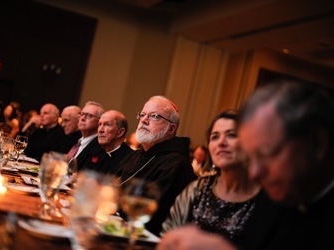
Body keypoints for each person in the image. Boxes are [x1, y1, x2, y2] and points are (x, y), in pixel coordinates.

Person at [157, 80, 334, 250]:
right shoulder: (274, 200)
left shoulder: (272, 196)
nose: (255, 173)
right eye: (252, 156)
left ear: (316, 143)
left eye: (266, 153)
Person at [162, 111, 261, 246]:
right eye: (215, 137)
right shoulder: (196, 189)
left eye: (231, 135)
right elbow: (169, 236)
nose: (221, 142)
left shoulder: (268, 199)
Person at [117, 95, 196, 236]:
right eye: (142, 115)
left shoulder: (176, 164)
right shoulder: (134, 155)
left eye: (154, 116)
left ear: (171, 129)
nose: (144, 120)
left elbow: (151, 216)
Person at [86, 110, 133, 175]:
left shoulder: (130, 159)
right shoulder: (95, 152)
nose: (100, 130)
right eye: (99, 124)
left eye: (107, 124)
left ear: (120, 132)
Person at [69, 101, 105, 171]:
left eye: (89, 115)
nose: (82, 118)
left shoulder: (100, 147)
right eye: (82, 114)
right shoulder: (74, 140)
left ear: (99, 121)